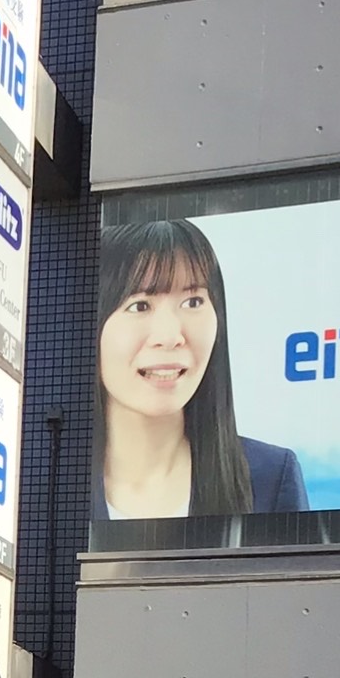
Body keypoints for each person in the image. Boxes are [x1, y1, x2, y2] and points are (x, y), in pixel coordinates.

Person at [91, 217, 308, 523]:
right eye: (140, 306)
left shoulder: (269, 478)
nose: (170, 336)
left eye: (192, 302)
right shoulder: (45, 481)